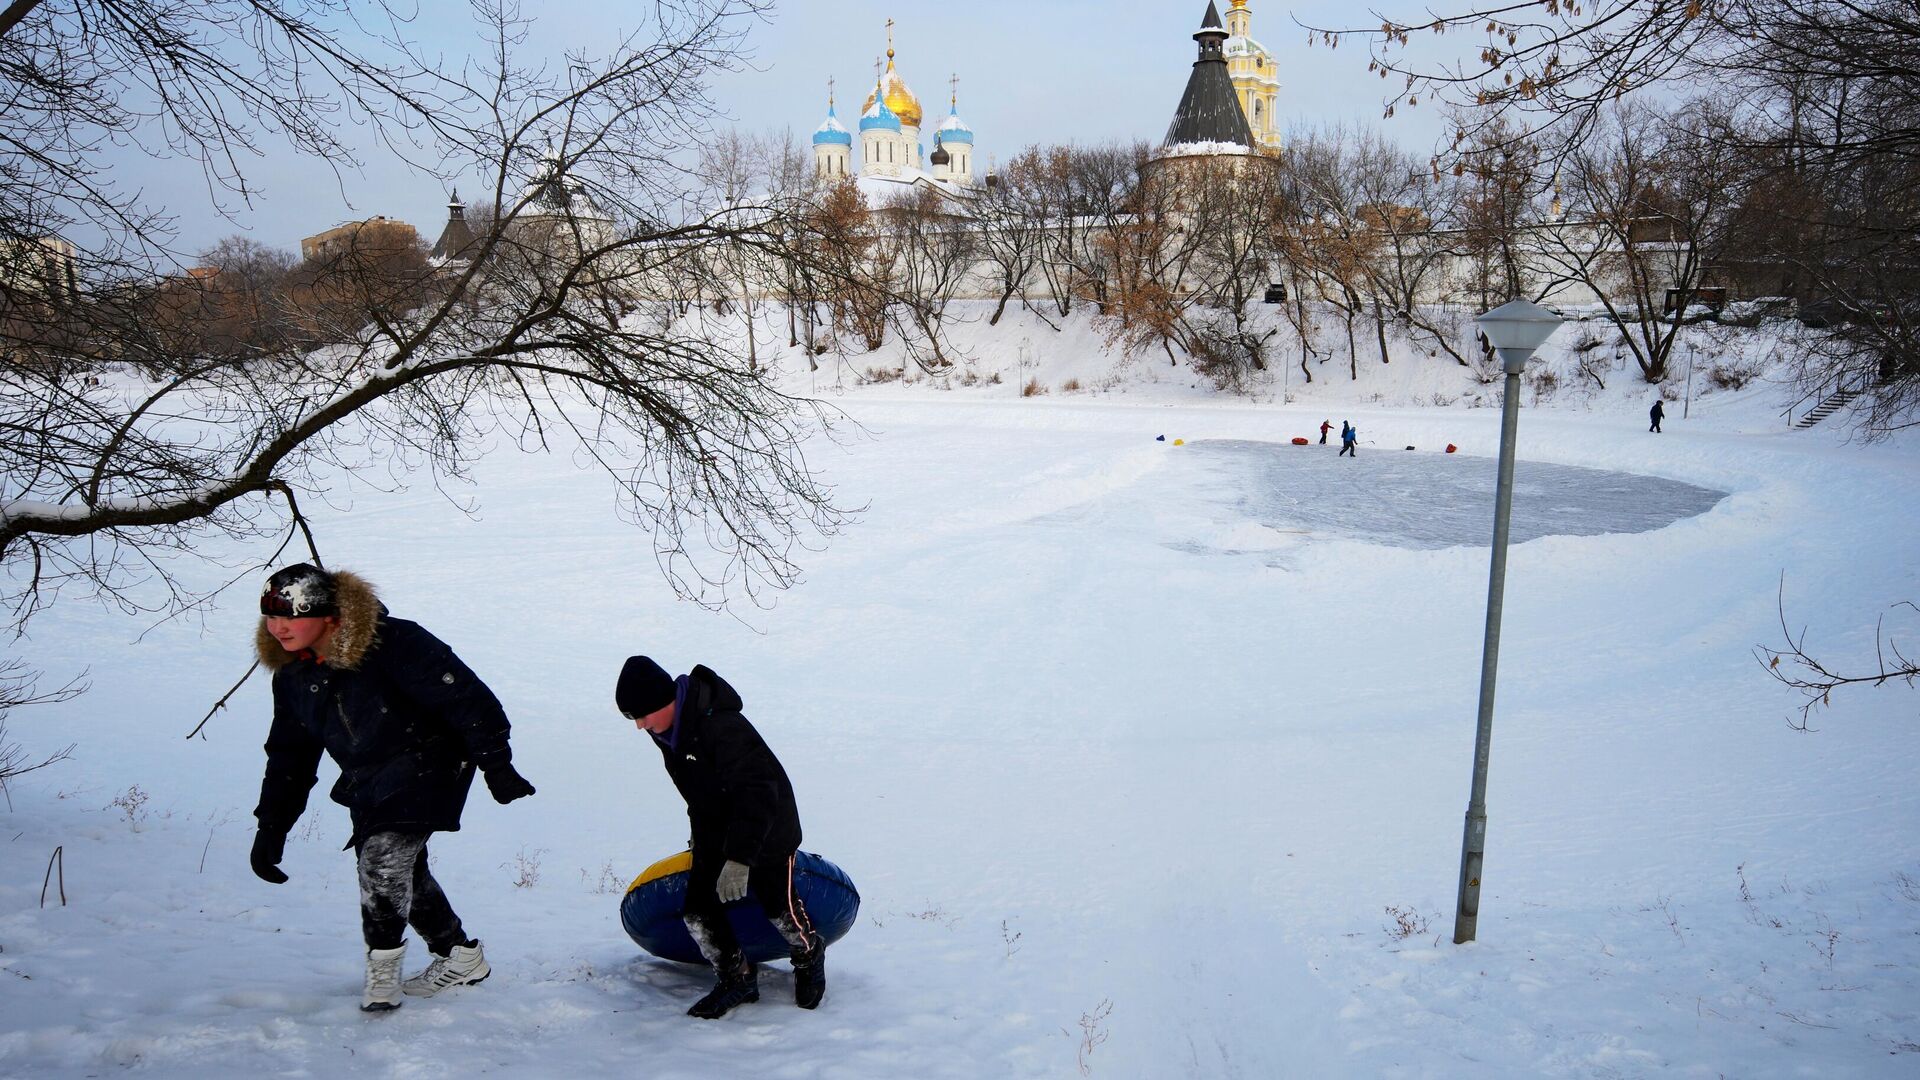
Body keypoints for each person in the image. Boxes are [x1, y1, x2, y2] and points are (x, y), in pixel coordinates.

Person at [249, 563, 536, 1012]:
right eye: (270, 615)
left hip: (432, 759)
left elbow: (469, 699)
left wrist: (496, 764)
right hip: (367, 777)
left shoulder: (393, 641)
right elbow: (290, 754)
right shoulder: (293, 678)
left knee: (382, 860)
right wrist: (273, 826)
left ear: (328, 615)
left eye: (291, 614)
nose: (278, 627)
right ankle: (459, 954)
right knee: (406, 871)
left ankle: (382, 977)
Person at [618, 655, 825, 1019]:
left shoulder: (722, 727)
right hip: (718, 830)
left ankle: (808, 953)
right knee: (698, 912)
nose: (639, 726)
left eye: (641, 715)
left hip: (769, 826)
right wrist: (702, 841)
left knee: (778, 906)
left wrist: (742, 857)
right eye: (632, 718)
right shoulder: (666, 733)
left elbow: (759, 793)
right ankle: (738, 977)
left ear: (664, 701)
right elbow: (699, 795)